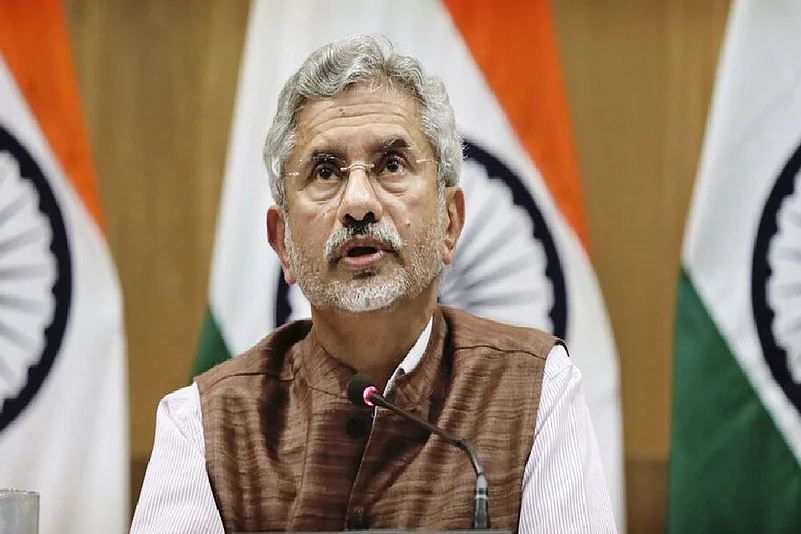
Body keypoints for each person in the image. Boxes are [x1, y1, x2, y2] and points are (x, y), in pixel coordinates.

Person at [130, 35, 616, 533]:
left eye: (392, 165)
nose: (358, 204)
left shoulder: (536, 391)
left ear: (450, 224)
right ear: (283, 244)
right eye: (325, 172)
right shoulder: (204, 426)